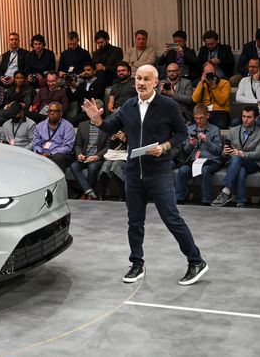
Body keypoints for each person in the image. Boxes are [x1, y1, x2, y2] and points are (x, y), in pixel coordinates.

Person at [82, 64, 208, 286]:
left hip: (158, 172)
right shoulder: (128, 106)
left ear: (155, 83)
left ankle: (196, 261)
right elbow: (110, 126)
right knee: (135, 221)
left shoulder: (168, 105)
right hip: (133, 172)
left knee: (171, 218)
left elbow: (181, 133)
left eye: (146, 79)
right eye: (138, 78)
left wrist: (166, 146)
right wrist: (97, 120)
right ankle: (136, 264)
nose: (140, 82)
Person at [211, 106, 260, 208]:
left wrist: (242, 154)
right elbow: (224, 155)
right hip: (234, 163)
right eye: (243, 116)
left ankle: (226, 191)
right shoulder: (232, 131)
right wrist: (225, 152)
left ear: (256, 118)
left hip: (251, 163)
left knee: (237, 158)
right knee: (241, 170)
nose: (245, 119)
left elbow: (259, 153)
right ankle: (241, 201)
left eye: (249, 117)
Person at [174, 104, 223, 205]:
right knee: (183, 170)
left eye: (201, 118)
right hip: (194, 159)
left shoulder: (215, 129)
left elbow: (218, 151)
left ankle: (206, 200)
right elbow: (186, 151)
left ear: (207, 116)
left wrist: (207, 141)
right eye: (196, 118)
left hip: (211, 160)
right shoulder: (190, 129)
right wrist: (190, 144)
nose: (198, 121)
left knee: (205, 171)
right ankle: (179, 197)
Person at [69, 99, 110, 200]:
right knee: (74, 166)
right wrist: (79, 154)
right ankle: (88, 191)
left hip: (97, 158)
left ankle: (86, 194)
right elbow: (78, 144)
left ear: (101, 111)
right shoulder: (82, 125)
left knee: (93, 168)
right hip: (84, 156)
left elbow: (108, 147)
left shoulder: (107, 126)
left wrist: (97, 156)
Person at [32, 101, 75, 172]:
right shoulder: (39, 126)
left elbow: (67, 147)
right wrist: (39, 152)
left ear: (61, 113)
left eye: (55, 111)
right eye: (50, 111)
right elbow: (36, 144)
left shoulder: (68, 126)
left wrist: (50, 154)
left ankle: (59, 182)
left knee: (58, 157)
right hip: (43, 154)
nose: (52, 113)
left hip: (61, 155)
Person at [234, 57, 260, 128]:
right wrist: (256, 102)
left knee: (258, 124)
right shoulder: (244, 80)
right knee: (234, 123)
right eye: (250, 67)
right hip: (247, 112)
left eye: (254, 67)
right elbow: (238, 98)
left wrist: (257, 82)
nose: (251, 69)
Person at [192, 61, 231, 129]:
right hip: (204, 112)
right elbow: (195, 99)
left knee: (220, 125)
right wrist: (201, 82)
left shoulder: (225, 83)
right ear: (203, 74)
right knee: (193, 126)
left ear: (215, 73)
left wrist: (214, 87)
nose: (209, 75)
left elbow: (222, 101)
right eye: (207, 73)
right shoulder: (202, 84)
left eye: (211, 73)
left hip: (220, 111)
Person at [97, 130, 128, 201]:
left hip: (126, 157)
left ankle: (123, 193)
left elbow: (136, 144)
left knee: (115, 165)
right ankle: (102, 193)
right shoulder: (113, 129)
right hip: (114, 156)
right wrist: (113, 140)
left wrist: (125, 140)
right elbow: (109, 148)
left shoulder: (132, 128)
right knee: (105, 166)